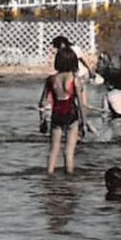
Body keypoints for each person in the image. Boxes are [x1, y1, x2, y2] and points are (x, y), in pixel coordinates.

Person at [38, 45, 87, 173]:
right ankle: (68, 178)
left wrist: (42, 120)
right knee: (69, 152)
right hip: (71, 115)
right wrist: (84, 122)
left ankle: (49, 176)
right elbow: (80, 104)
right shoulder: (74, 80)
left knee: (54, 150)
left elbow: (42, 102)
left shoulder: (51, 80)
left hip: (56, 115)